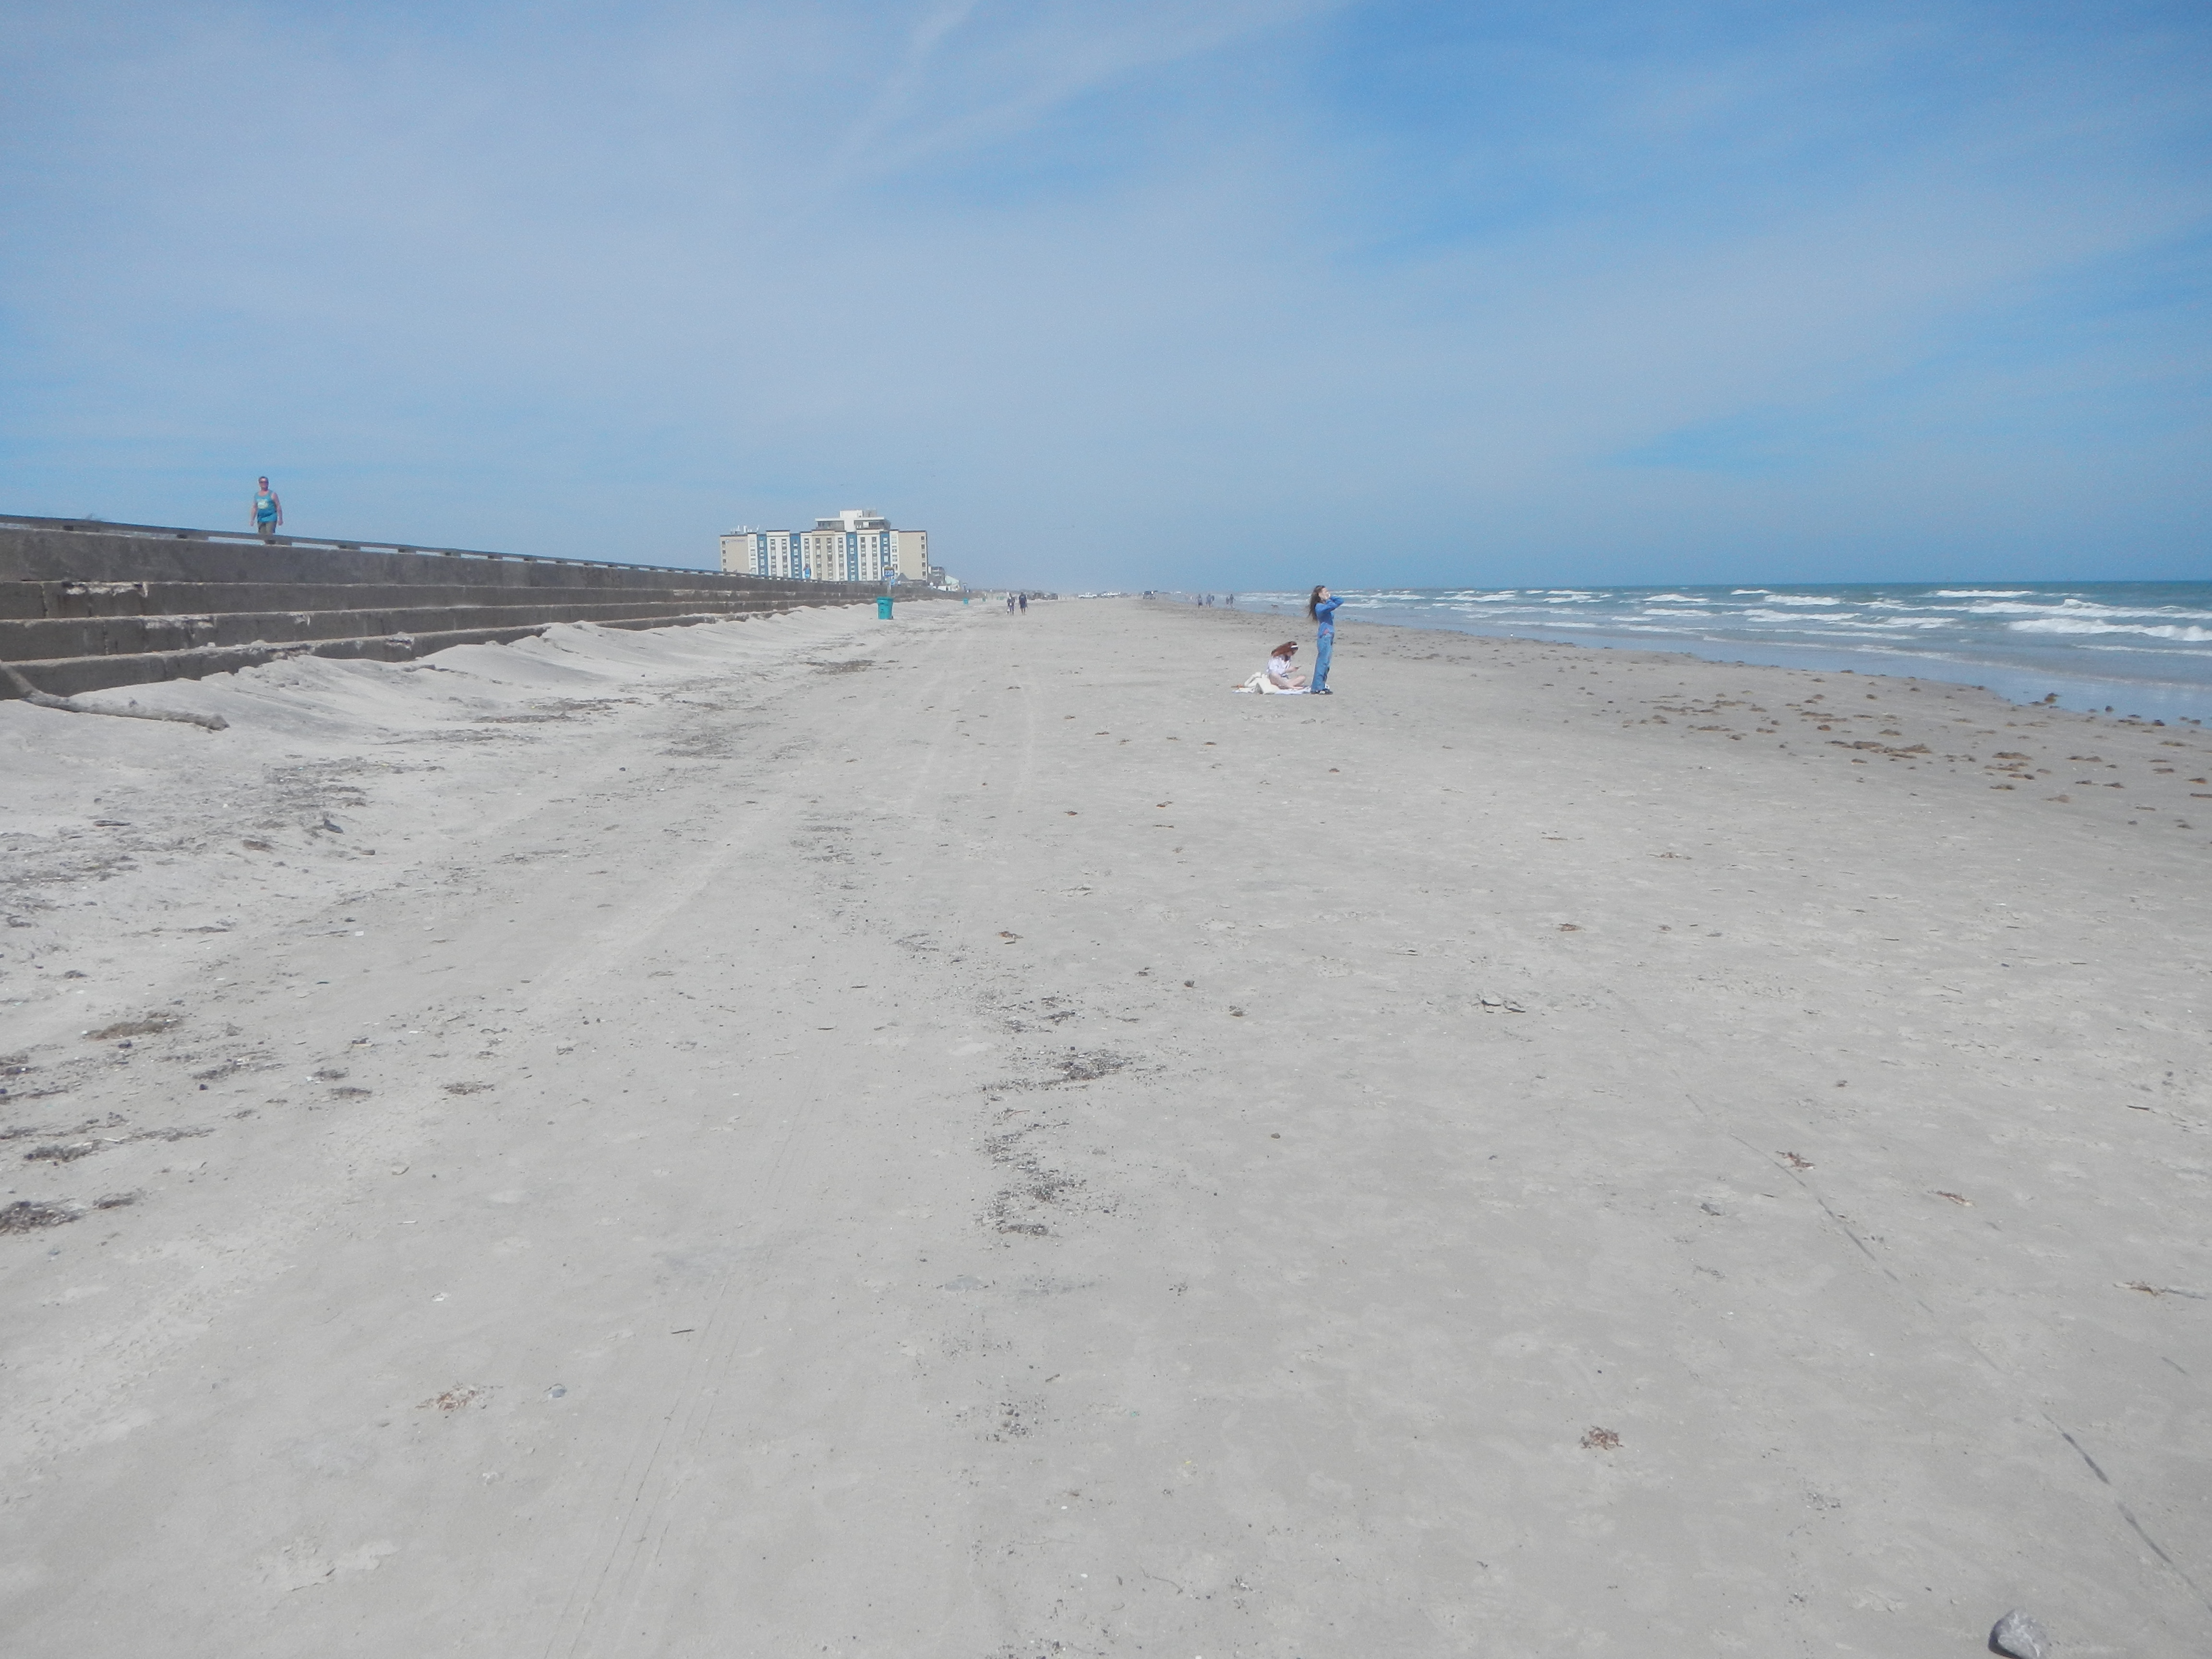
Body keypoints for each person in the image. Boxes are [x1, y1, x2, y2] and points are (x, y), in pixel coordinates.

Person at [1308, 584, 1344, 694]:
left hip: (1329, 635)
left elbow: (1340, 601)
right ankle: (1317, 687)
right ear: (1319, 595)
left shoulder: (1325, 604)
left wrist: (1330, 597)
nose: (1327, 593)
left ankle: (1321, 685)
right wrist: (1328, 600)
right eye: (1325, 592)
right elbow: (1332, 606)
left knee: (1327, 663)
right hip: (1325, 635)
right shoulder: (1319, 607)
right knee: (1323, 662)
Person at [1235, 640, 1308, 693]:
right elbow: (1273, 671)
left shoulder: (1288, 659)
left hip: (1284, 680)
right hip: (1274, 679)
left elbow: (1285, 672)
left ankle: (1285, 686)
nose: (1293, 655)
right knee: (1274, 674)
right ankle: (1289, 686)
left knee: (1303, 677)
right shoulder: (1276, 658)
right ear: (1287, 650)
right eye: (1292, 652)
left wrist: (1292, 670)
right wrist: (1287, 670)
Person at [251, 476, 283, 541]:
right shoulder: (257, 495)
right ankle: (268, 547)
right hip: (261, 518)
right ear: (259, 484)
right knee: (262, 536)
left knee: (269, 535)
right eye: (262, 482)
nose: (264, 484)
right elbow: (255, 507)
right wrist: (252, 520)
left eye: (266, 482)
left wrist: (281, 519)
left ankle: (272, 548)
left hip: (271, 517)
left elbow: (278, 506)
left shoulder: (272, 494)